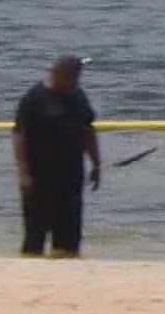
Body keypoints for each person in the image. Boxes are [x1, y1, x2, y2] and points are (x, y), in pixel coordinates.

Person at [12, 55, 100, 258]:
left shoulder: (78, 97)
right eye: (72, 77)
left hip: (71, 178)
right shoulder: (34, 98)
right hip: (39, 179)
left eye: (77, 77)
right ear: (57, 74)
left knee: (69, 242)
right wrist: (24, 174)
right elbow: (19, 136)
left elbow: (88, 131)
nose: (76, 82)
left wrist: (96, 164)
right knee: (35, 238)